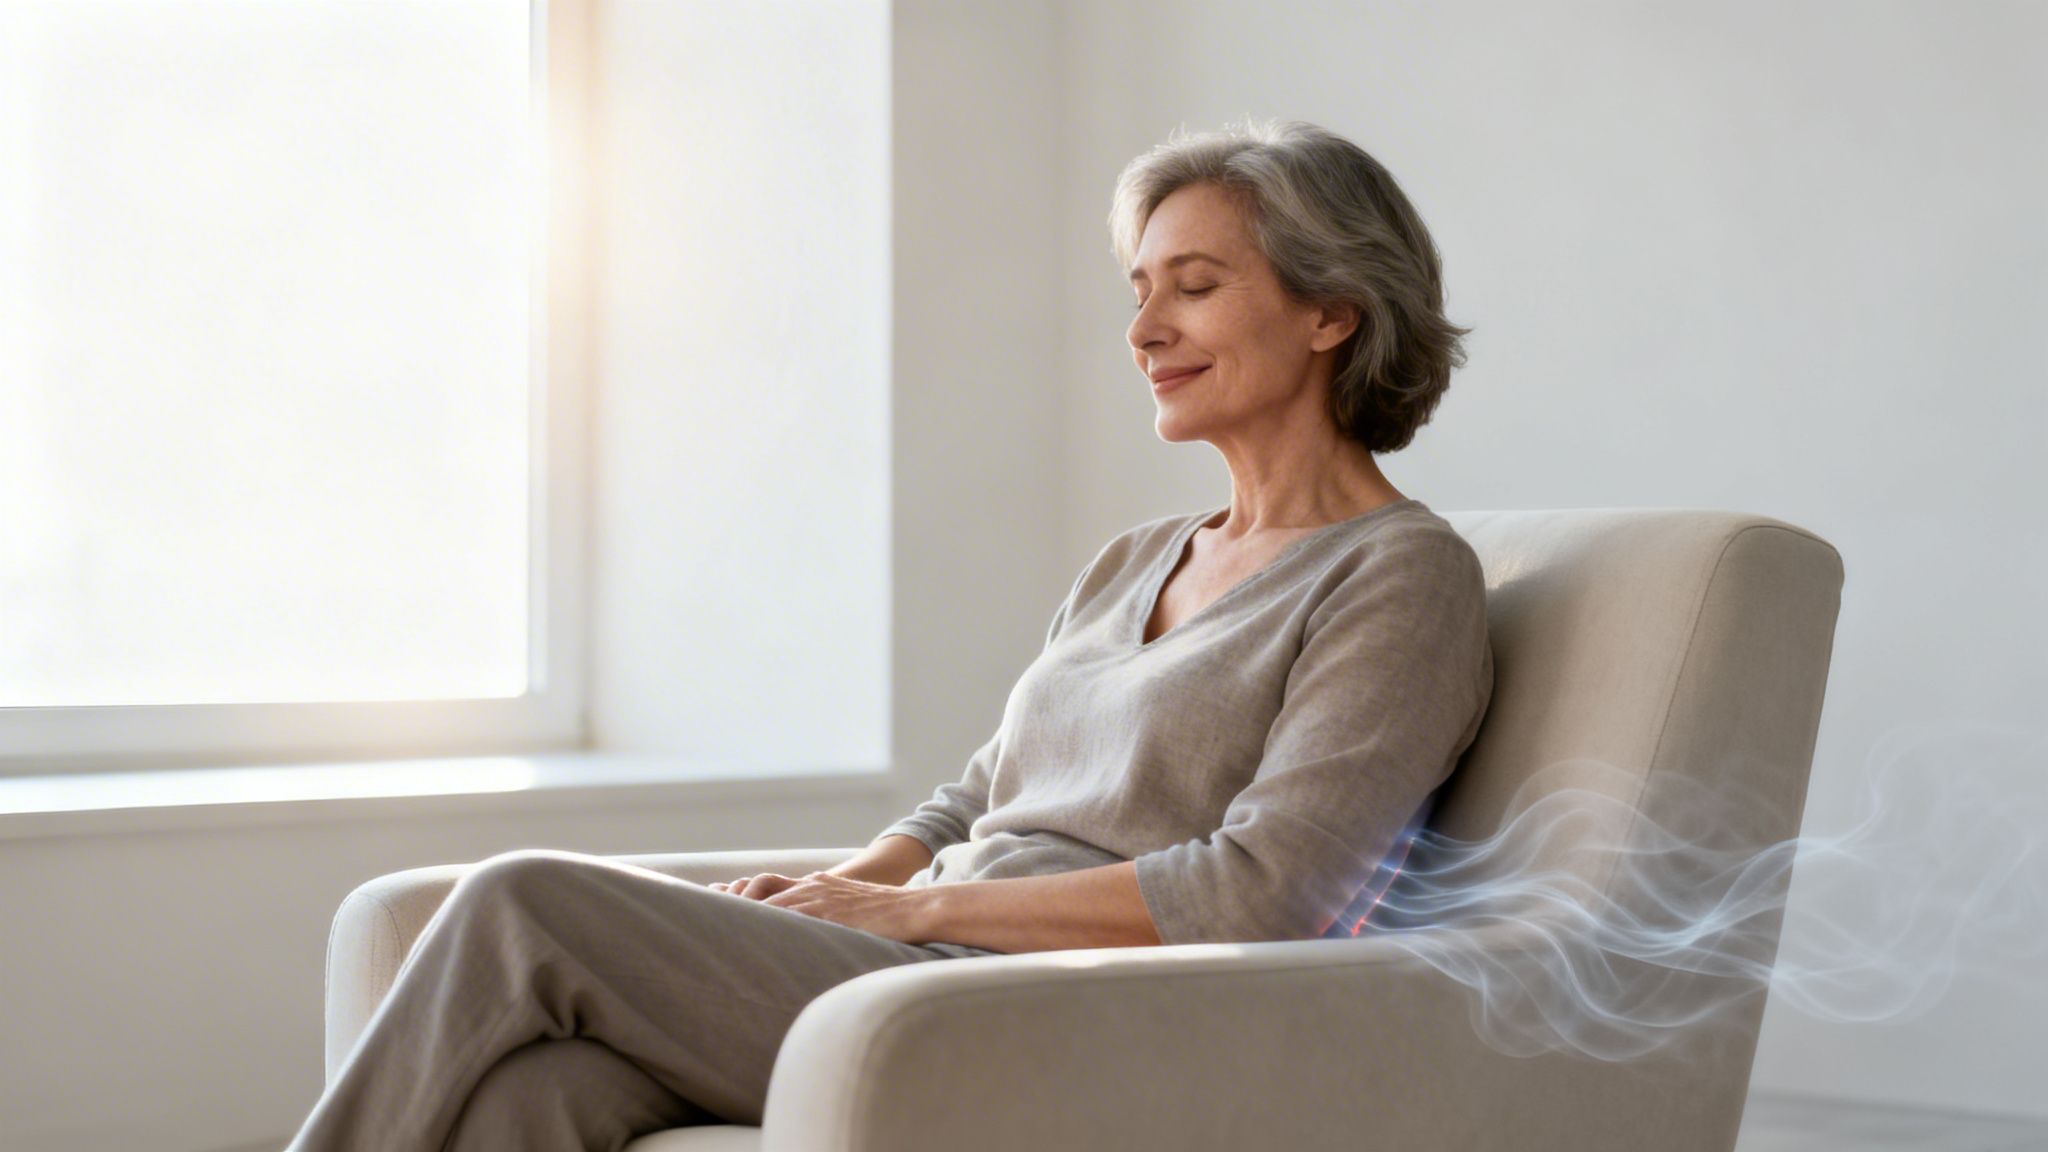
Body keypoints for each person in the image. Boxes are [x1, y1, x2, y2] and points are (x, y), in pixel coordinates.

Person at [284, 119, 1492, 1151]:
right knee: (536, 1097)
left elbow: (1265, 893)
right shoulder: (1135, 557)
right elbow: (983, 793)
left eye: (1192, 285)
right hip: (924, 967)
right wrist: (860, 879)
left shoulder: (1400, 576)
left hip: (1053, 1009)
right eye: (1137, 291)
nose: (1142, 331)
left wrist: (914, 916)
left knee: (523, 900)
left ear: (1331, 310)